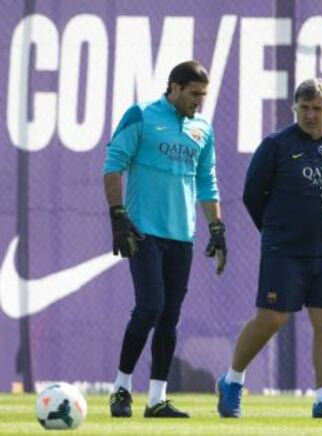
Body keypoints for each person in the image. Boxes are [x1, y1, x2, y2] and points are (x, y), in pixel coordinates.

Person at [217, 78, 322, 419]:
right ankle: (232, 381)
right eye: (304, 108)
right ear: (294, 108)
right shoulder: (276, 145)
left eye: (317, 108)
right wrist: (276, 232)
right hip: (284, 250)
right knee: (271, 318)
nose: (310, 114)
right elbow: (252, 194)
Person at [103, 60, 227, 418]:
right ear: (173, 88)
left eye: (203, 96)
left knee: (170, 316)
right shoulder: (140, 115)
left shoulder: (203, 128)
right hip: (142, 231)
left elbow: (207, 182)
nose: (198, 102)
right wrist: (118, 215)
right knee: (150, 306)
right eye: (193, 94)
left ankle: (156, 399)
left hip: (181, 237)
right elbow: (114, 164)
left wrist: (216, 228)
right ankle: (121, 389)